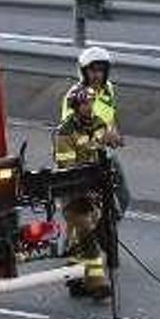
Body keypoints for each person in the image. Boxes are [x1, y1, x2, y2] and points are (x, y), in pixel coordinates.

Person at [54, 86, 119, 299]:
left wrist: (113, 139)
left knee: (80, 234)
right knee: (87, 233)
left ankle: (73, 277)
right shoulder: (65, 132)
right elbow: (67, 168)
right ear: (75, 107)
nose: (88, 107)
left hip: (95, 190)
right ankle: (97, 283)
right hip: (74, 193)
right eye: (84, 103)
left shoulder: (99, 123)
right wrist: (97, 144)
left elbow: (108, 148)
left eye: (90, 102)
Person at [63, 46, 130, 215]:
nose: (97, 75)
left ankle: (107, 237)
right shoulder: (74, 97)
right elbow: (71, 133)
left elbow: (110, 117)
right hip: (79, 161)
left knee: (122, 200)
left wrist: (115, 133)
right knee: (83, 217)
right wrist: (102, 137)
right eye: (92, 71)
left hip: (102, 156)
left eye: (101, 71)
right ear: (83, 72)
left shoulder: (108, 89)